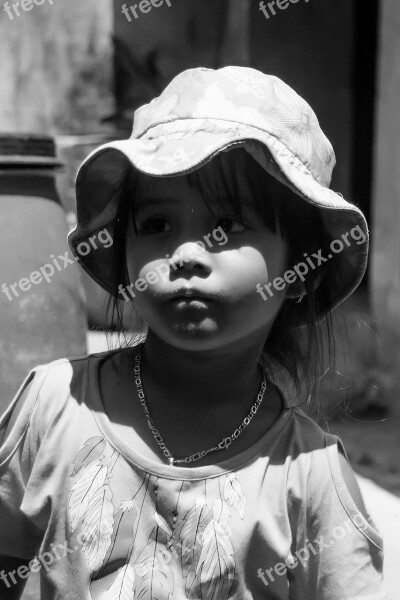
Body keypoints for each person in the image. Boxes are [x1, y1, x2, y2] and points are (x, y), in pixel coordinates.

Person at [0, 67, 390, 599]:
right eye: (156, 226)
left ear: (302, 270)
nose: (185, 254)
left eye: (228, 227)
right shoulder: (55, 408)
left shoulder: (310, 478)